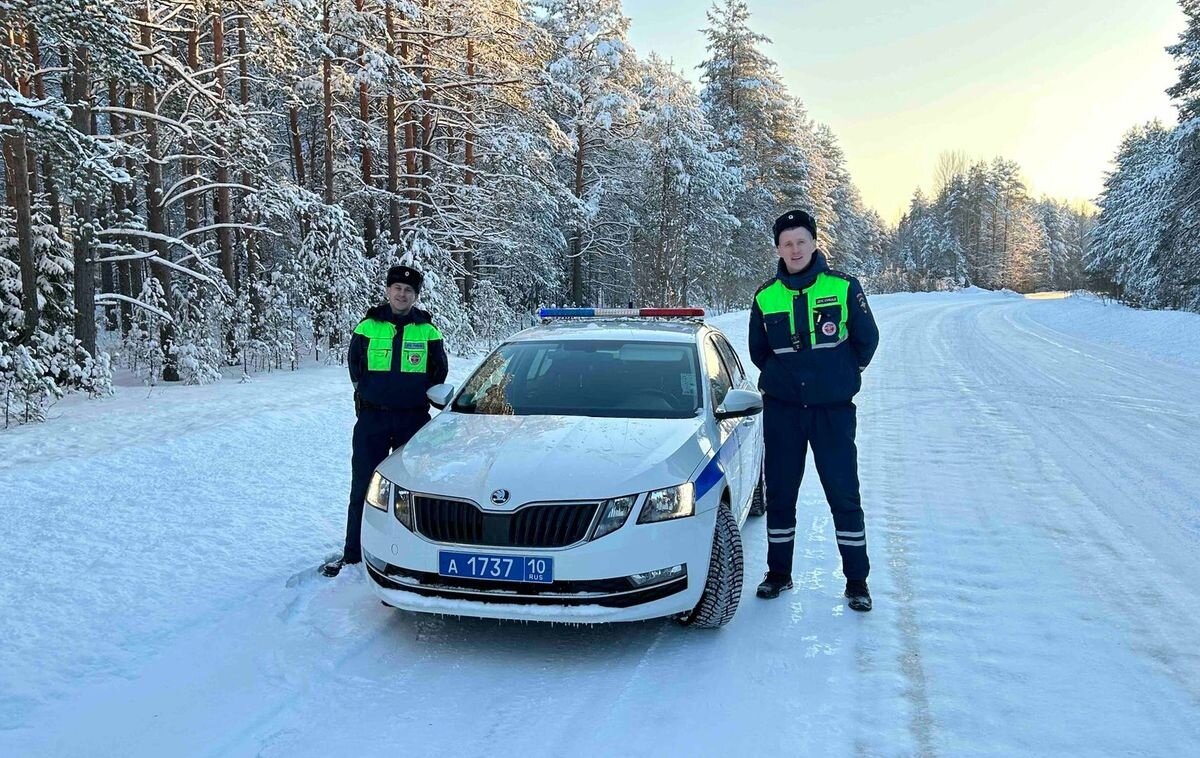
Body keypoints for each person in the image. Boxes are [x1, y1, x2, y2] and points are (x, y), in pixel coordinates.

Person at [748, 210, 879, 611]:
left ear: (814, 242)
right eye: (787, 243)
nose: (795, 249)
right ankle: (779, 574)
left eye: (801, 240)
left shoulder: (843, 286)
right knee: (782, 493)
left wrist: (839, 375)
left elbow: (866, 340)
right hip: (783, 412)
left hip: (832, 413)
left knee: (843, 494)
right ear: (778, 248)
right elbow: (759, 352)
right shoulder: (765, 295)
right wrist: (784, 380)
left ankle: (857, 581)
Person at [321, 265, 448, 577]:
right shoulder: (367, 327)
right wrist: (372, 394)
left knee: (412, 490)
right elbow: (356, 368)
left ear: (416, 296)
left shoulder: (428, 330)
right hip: (372, 419)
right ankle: (353, 554)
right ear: (388, 291)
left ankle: (411, 556)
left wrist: (413, 395)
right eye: (397, 288)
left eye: (408, 290)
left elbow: (438, 373)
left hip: (413, 421)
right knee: (362, 486)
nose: (402, 294)